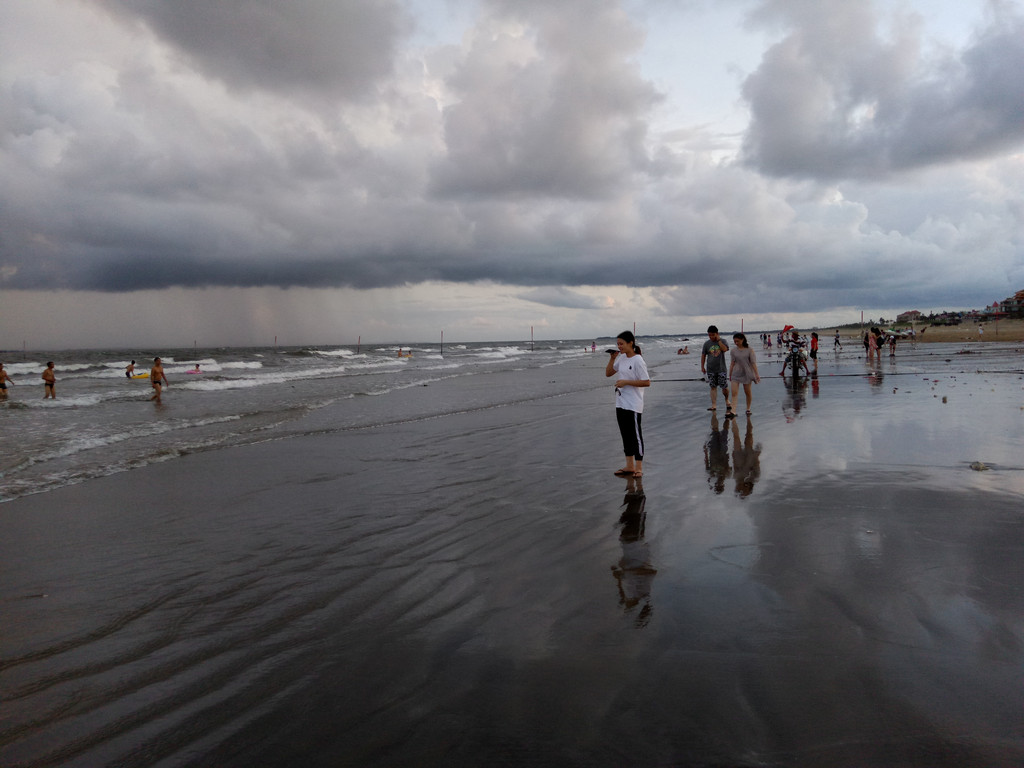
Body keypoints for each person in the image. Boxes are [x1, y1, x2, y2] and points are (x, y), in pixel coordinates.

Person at [606, 331, 650, 478]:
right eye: (618, 344)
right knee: (625, 435)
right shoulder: (622, 358)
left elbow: (646, 382)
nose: (619, 346)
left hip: (634, 403)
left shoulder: (638, 360)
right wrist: (612, 359)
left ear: (630, 343)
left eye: (621, 344)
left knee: (635, 436)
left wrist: (626, 382)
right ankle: (629, 465)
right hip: (621, 402)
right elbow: (608, 373)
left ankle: (639, 467)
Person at [701, 325, 732, 415]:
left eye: (713, 335)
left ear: (717, 334)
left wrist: (718, 341)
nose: (711, 337)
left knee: (724, 387)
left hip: (721, 368)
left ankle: (726, 400)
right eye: (709, 335)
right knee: (713, 386)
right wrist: (702, 366)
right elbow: (703, 355)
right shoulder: (706, 344)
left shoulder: (723, 341)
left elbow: (725, 349)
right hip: (710, 369)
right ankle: (714, 405)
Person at [728, 333, 761, 415]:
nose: (736, 343)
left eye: (737, 341)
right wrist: (730, 374)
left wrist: (757, 375)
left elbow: (753, 363)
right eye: (734, 341)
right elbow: (732, 363)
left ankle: (748, 408)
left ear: (742, 340)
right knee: (734, 393)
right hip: (736, 373)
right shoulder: (733, 351)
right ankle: (733, 411)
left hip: (747, 373)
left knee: (747, 392)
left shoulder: (750, 350)